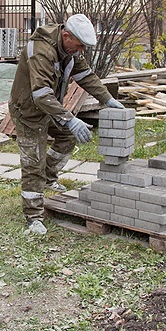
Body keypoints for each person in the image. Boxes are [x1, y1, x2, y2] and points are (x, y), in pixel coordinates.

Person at [8, 14, 124, 235]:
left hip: (50, 108)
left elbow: (86, 76)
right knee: (33, 161)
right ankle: (33, 218)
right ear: (66, 35)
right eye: (78, 45)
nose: (80, 50)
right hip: (28, 111)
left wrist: (107, 99)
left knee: (66, 137)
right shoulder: (42, 51)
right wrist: (70, 119)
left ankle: (48, 177)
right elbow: (41, 94)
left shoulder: (69, 50)